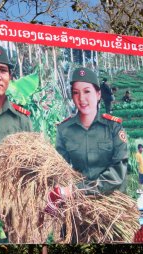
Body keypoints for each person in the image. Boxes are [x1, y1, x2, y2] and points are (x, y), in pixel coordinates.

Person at [55, 67, 129, 195]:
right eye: (76, 93)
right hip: (78, 206)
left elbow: (118, 172)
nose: (81, 98)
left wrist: (80, 189)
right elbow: (60, 170)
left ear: (98, 94)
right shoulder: (64, 130)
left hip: (113, 202)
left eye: (87, 91)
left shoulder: (114, 127)